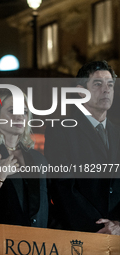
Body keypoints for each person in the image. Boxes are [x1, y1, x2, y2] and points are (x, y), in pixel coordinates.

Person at [45, 61, 120, 235]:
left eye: (110, 85)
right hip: (81, 234)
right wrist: (99, 228)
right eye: (98, 84)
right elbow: (63, 187)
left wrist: (117, 224)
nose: (106, 89)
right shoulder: (60, 131)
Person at [0, 89, 49, 228]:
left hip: (37, 243)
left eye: (24, 112)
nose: (19, 117)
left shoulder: (38, 159)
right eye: (12, 110)